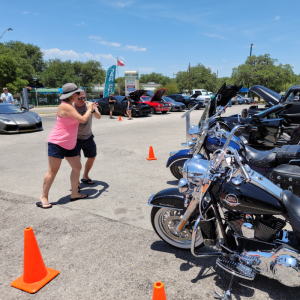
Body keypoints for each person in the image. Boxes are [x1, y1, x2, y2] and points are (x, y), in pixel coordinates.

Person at [37, 83, 98, 209]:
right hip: (57, 143)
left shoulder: (68, 106)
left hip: (70, 143)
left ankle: (74, 193)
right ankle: (43, 196)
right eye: (78, 94)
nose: (80, 96)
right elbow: (82, 119)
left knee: (77, 167)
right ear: (72, 95)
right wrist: (89, 109)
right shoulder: (65, 106)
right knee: (53, 171)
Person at [74, 92, 101, 185]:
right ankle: (76, 182)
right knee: (76, 163)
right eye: (79, 98)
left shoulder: (89, 105)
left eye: (84, 98)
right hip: (74, 139)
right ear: (74, 98)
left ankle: (85, 176)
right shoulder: (71, 107)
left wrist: (93, 110)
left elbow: (99, 117)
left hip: (88, 136)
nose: (83, 100)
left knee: (92, 157)